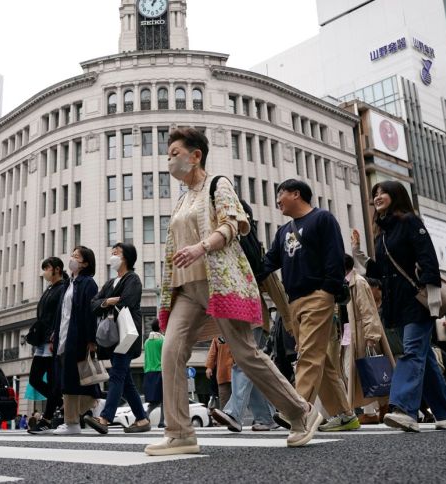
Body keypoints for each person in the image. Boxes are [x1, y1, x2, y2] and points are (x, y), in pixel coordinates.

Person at [145, 128, 319, 456]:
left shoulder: (218, 184)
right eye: (168, 155)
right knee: (171, 352)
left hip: (220, 283)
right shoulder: (182, 198)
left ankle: (301, 411)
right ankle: (179, 433)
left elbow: (232, 224)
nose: (169, 161)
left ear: (196, 155)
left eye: (175, 154)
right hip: (186, 289)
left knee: (246, 354)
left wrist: (201, 247)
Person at [353, 180, 446, 432]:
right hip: (396, 304)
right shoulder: (382, 232)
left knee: (411, 352)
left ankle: (403, 409)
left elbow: (427, 257)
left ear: (396, 195)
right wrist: (358, 253)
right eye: (375, 193)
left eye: (383, 192)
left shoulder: (410, 222)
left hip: (417, 300)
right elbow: (380, 271)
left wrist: (432, 296)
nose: (377, 196)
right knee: (424, 359)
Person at [260, 179, 356, 432]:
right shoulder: (283, 231)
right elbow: (269, 262)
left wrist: (328, 290)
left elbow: (335, 255)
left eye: (280, 193)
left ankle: (296, 409)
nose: (277, 200)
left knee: (308, 356)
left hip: (317, 296)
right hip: (294, 302)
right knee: (319, 358)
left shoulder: (322, 219)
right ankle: (345, 415)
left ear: (296, 194)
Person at [85, 243, 151, 434]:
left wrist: (106, 303)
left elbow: (128, 302)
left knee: (116, 375)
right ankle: (142, 419)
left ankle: (105, 418)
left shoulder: (133, 279)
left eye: (117, 253)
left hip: (125, 336)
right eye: (112, 252)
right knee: (126, 381)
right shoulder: (111, 283)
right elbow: (93, 304)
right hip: (113, 337)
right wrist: (108, 301)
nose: (112, 255)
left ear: (126, 257)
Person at [341, 254, 395, 426]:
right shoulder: (346, 282)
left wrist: (371, 336)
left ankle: (372, 410)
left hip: (360, 332)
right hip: (349, 333)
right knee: (354, 372)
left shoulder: (358, 282)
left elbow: (368, 310)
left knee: (363, 371)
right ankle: (378, 406)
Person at [52, 246, 100, 435]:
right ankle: (91, 407)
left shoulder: (88, 283)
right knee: (69, 381)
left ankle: (72, 422)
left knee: (72, 381)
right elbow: (62, 313)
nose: (72, 258)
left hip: (77, 338)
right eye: (72, 255)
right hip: (64, 337)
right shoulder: (68, 283)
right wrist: (55, 334)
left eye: (76, 256)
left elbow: (90, 313)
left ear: (85, 263)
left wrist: (91, 339)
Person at [27, 257, 68, 434]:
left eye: (47, 268)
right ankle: (62, 403)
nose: (44, 272)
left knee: (53, 381)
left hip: (52, 339)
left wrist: (55, 335)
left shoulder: (63, 288)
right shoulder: (50, 289)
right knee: (34, 379)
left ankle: (46, 419)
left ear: (57, 269)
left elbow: (62, 314)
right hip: (42, 340)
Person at [211, 327, 278, 432]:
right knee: (252, 366)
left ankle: (234, 413)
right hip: (247, 321)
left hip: (251, 320)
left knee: (244, 360)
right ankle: (266, 418)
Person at [144, 320, 165, 428]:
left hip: (148, 372)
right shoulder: (162, 340)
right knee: (164, 399)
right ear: (160, 327)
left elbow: (146, 358)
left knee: (155, 400)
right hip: (160, 371)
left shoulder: (147, 342)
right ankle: (161, 421)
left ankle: (145, 415)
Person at [204, 336, 233, 409]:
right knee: (224, 401)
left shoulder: (240, 332)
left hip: (240, 375)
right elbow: (212, 353)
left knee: (240, 400)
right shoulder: (218, 336)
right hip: (223, 375)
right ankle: (224, 415)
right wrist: (209, 367)